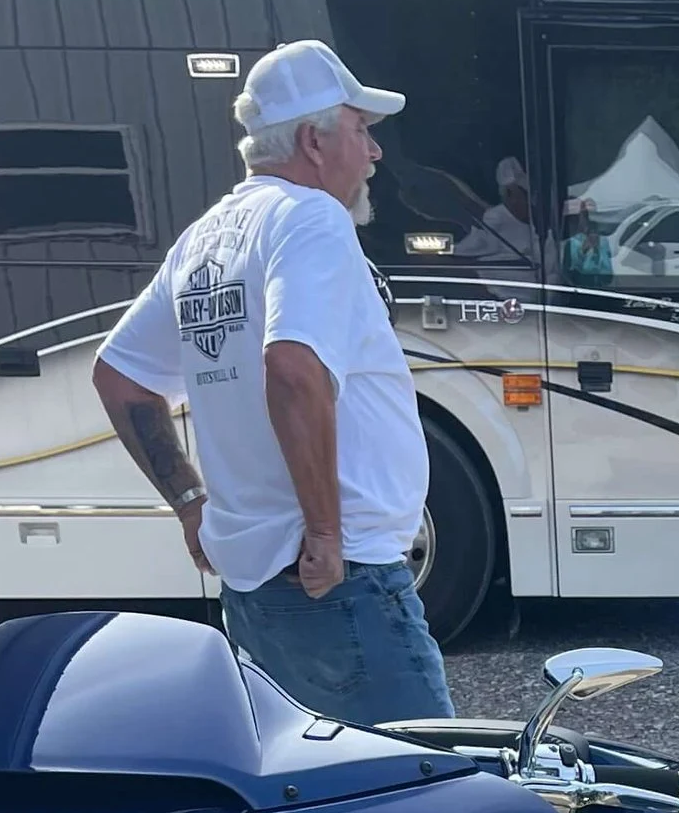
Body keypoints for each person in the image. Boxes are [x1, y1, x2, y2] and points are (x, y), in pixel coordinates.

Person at [92, 38, 453, 727]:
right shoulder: (310, 217)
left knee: (311, 800)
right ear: (315, 142)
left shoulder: (207, 237)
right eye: (361, 128)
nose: (374, 152)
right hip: (339, 584)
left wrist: (191, 502)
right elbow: (291, 368)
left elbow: (121, 378)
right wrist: (324, 531)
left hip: (256, 585)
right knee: (421, 798)